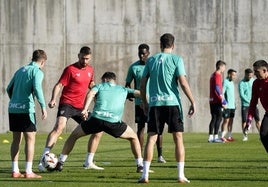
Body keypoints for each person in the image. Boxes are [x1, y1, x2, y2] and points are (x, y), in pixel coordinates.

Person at [54, 72, 144, 173]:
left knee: (74, 136)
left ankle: (60, 162)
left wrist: (85, 109)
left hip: (96, 119)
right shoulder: (123, 89)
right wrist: (145, 103)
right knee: (134, 137)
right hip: (113, 122)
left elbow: (91, 94)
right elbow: (140, 93)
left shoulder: (99, 86)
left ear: (105, 80)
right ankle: (140, 165)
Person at [138, 33, 195, 183]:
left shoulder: (151, 60)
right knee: (178, 139)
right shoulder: (177, 59)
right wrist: (192, 101)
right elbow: (183, 82)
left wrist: (144, 102)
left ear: (160, 44)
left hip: (155, 104)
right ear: (173, 45)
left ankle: (145, 175)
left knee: (151, 138)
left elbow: (143, 84)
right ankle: (180, 175)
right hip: (172, 103)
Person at [38, 46, 103, 171]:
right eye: (83, 58)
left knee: (98, 129)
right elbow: (59, 85)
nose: (85, 61)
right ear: (78, 55)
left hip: (81, 107)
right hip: (67, 103)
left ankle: (88, 162)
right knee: (59, 127)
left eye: (87, 59)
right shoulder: (70, 69)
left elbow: (91, 84)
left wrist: (97, 95)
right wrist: (53, 99)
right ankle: (43, 159)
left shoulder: (90, 69)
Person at [6, 49, 48, 178]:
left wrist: (15, 100)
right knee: (30, 140)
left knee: (15, 140)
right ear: (42, 62)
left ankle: (15, 171)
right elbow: (37, 87)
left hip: (13, 108)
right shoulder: (37, 71)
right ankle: (29, 172)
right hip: (26, 109)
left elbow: (8, 88)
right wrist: (43, 106)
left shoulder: (20, 70)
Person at [125, 43, 166, 163]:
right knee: (141, 128)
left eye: (144, 53)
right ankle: (140, 156)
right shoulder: (133, 67)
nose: (142, 56)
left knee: (158, 129)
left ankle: (160, 155)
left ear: (148, 53)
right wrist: (130, 94)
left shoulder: (154, 65)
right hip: (140, 103)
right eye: (140, 53)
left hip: (155, 102)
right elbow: (128, 83)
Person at [245, 60, 268, 152]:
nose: (254, 74)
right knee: (263, 134)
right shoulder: (256, 83)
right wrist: (249, 118)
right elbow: (253, 102)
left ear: (265, 70)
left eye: (257, 72)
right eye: (254, 71)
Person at [239, 68, 261, 141]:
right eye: (249, 76)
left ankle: (261, 135)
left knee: (257, 120)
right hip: (245, 105)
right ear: (245, 74)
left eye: (251, 76)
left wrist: (254, 102)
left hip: (254, 105)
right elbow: (242, 95)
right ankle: (245, 135)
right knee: (245, 121)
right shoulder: (241, 83)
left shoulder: (253, 81)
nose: (250, 77)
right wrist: (250, 102)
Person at [208, 60, 227, 143]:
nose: (224, 69)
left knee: (214, 118)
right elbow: (217, 88)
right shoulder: (217, 75)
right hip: (216, 100)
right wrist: (223, 101)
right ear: (220, 66)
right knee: (219, 118)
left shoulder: (212, 75)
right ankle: (215, 137)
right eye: (224, 67)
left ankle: (211, 137)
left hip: (212, 100)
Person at [220, 69, 237, 142]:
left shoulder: (232, 83)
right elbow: (222, 93)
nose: (234, 77)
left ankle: (229, 136)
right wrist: (223, 103)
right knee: (225, 121)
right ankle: (222, 136)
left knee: (231, 121)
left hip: (232, 106)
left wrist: (234, 103)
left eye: (235, 75)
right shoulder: (225, 82)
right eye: (233, 75)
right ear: (229, 74)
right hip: (227, 106)